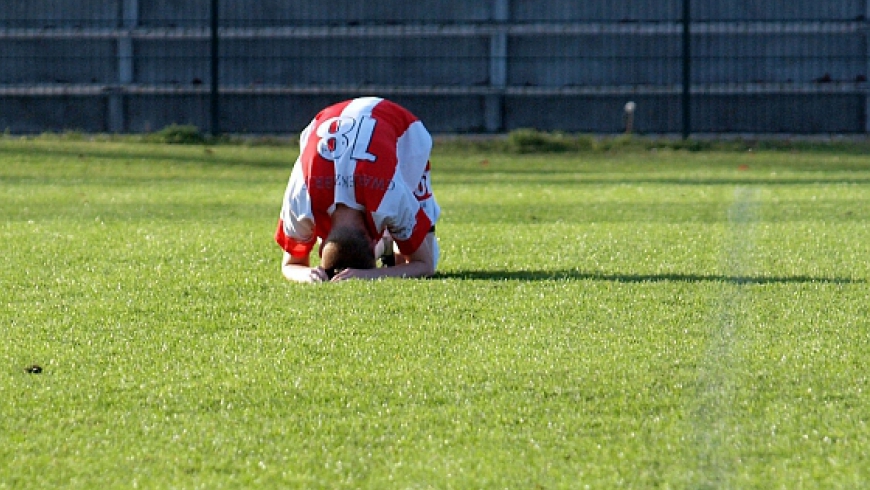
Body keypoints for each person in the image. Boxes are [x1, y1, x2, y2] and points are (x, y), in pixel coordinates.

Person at [275, 97, 440, 282]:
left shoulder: (389, 195)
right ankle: (388, 241)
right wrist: (308, 274)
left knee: (409, 255)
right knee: (403, 255)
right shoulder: (302, 197)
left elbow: (426, 265)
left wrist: (371, 275)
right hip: (328, 117)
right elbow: (291, 265)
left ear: (322, 248)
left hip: (404, 128)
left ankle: (389, 240)